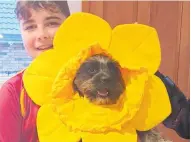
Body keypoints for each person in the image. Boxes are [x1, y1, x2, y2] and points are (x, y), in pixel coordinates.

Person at [0, 1, 189, 142]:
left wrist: (150, 84)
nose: (41, 34)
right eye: (30, 26)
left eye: (52, 23)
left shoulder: (124, 75)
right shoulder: (13, 94)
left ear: (69, 26)